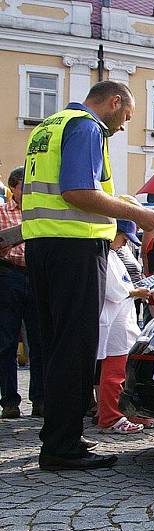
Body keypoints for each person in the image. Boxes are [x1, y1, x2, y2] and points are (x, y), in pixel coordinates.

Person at [22, 80, 154, 470]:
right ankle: (63, 446)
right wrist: (138, 214)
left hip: (42, 246)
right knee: (77, 347)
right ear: (114, 101)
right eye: (125, 116)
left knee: (55, 346)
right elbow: (77, 192)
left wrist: (123, 202)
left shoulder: (49, 125)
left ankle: (57, 436)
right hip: (75, 247)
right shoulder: (87, 126)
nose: (123, 126)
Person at [97, 220, 152, 434]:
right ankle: (110, 416)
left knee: (120, 371)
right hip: (114, 321)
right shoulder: (106, 254)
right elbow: (114, 289)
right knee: (114, 371)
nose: (124, 244)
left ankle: (118, 412)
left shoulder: (113, 255)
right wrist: (137, 292)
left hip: (121, 319)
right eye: (123, 239)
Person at [0, 167, 44, 419]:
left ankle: (39, 399)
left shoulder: (39, 211)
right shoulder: (2, 212)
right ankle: (9, 401)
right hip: (9, 274)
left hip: (37, 275)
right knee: (6, 341)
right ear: (14, 187)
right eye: (27, 186)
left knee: (39, 340)